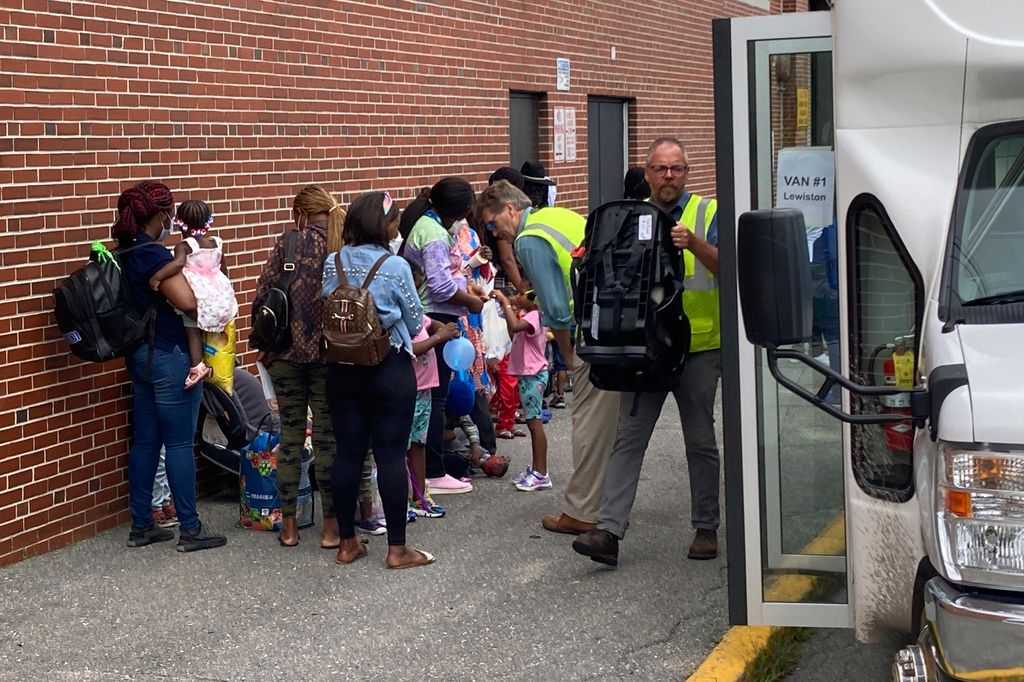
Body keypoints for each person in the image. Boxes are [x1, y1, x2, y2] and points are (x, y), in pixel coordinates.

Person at [572, 136, 723, 566]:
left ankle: (705, 527)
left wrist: (693, 243)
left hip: (697, 346)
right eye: (660, 169)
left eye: (676, 168)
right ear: (648, 172)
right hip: (645, 346)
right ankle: (608, 531)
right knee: (629, 437)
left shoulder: (705, 213)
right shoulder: (629, 217)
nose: (668, 176)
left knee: (699, 439)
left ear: (687, 173)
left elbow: (727, 267)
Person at [477, 181, 621, 534]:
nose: (496, 233)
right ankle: (609, 505)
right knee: (612, 427)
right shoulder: (556, 216)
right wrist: (531, 297)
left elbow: (558, 308)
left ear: (511, 209)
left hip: (590, 330)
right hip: (615, 318)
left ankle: (583, 512)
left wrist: (570, 358)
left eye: (494, 223)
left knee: (587, 425)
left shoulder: (528, 239)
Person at [322, 190, 435, 569]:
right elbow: (417, 322)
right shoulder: (395, 266)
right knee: (389, 454)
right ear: (383, 226)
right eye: (394, 221)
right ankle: (398, 549)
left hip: (340, 368)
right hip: (387, 367)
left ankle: (347, 543)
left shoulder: (331, 262)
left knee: (347, 453)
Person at [113, 180, 226, 552]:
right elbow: (188, 303)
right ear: (162, 215)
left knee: (146, 441)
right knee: (178, 443)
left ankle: (141, 525)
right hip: (170, 357)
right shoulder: (153, 256)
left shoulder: (126, 252)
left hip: (139, 358)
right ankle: (190, 529)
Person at [252, 185, 342, 549]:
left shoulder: (288, 243)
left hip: (285, 355)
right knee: (326, 441)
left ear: (300, 213)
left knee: (290, 438)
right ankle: (331, 529)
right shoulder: (341, 245)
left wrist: (261, 341)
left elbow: (264, 291)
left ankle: (288, 528)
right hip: (328, 355)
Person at [399, 178, 487, 496]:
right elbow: (439, 286)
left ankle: (429, 469)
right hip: (435, 319)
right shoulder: (434, 233)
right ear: (458, 211)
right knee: (435, 398)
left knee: (432, 398)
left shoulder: (429, 225)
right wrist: (471, 302)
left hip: (433, 315)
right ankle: (434, 470)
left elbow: (449, 274)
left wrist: (467, 285)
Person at [149, 200, 239, 388]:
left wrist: (157, 276)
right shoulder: (216, 242)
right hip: (219, 295)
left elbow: (178, 264)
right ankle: (221, 358)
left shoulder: (185, 245)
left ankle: (198, 366)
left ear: (179, 223)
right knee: (215, 329)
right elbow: (224, 269)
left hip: (201, 296)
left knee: (191, 327)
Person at [491, 285, 551, 491]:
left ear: (534, 299)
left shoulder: (535, 315)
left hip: (534, 375)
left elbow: (515, 327)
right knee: (533, 424)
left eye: (520, 294)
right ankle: (536, 469)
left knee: (535, 426)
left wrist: (505, 301)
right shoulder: (528, 315)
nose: (516, 296)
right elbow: (513, 332)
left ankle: (541, 473)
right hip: (528, 375)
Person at [406, 305, 460, 519]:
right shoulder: (397, 318)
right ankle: (402, 497)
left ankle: (420, 496)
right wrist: (439, 336)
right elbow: (412, 349)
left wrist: (445, 329)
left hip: (425, 389)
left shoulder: (416, 314)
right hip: (408, 390)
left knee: (420, 443)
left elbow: (432, 324)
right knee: (402, 446)